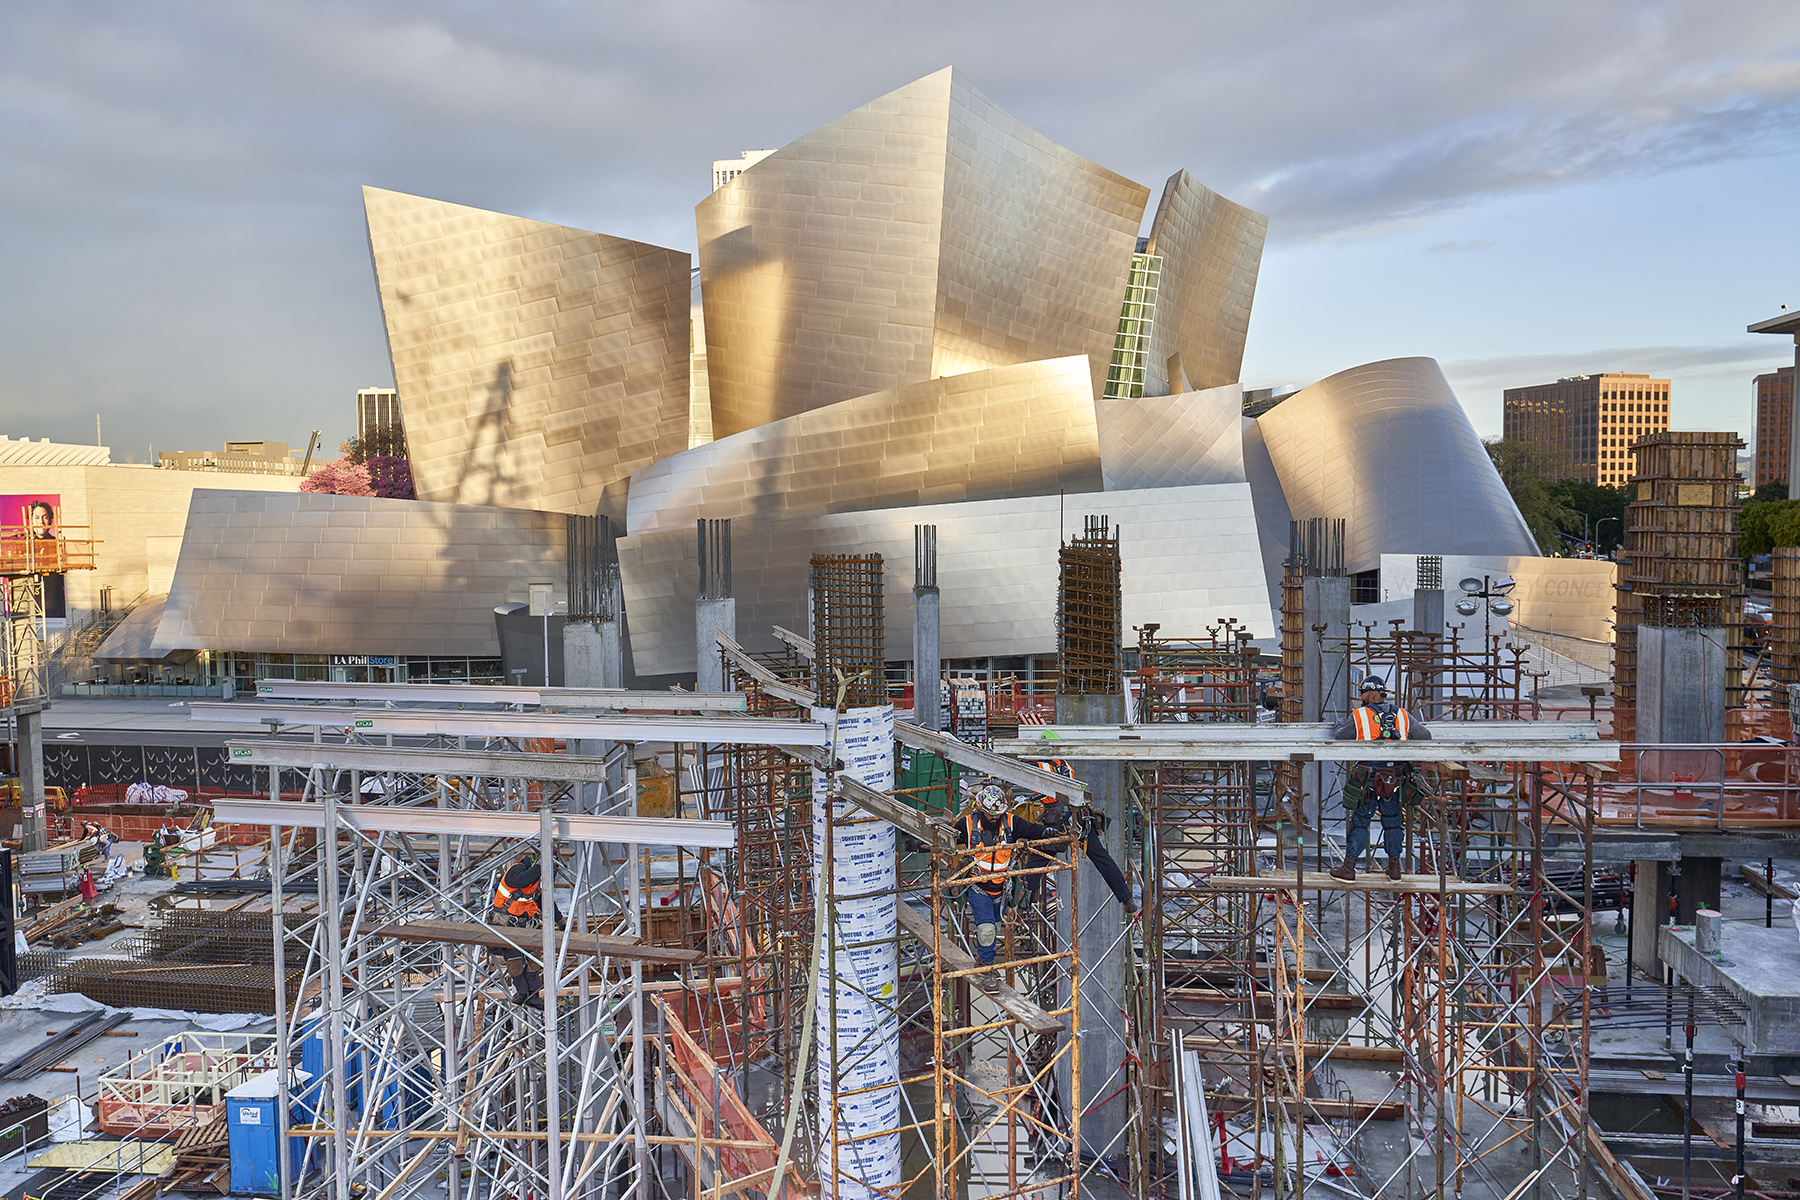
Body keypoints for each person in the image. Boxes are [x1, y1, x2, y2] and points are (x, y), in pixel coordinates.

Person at [946, 781, 1056, 990]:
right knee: (986, 929)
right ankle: (989, 971)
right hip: (978, 887)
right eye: (990, 814)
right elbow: (947, 840)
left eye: (998, 813)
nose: (995, 817)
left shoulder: (1011, 823)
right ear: (981, 809)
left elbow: (1032, 830)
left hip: (1002, 888)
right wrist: (919, 845)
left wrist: (1050, 832)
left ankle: (983, 958)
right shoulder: (968, 824)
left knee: (993, 928)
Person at [1329, 674, 1432, 882]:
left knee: (1360, 822)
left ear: (1373, 693)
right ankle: (1395, 869)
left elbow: (1341, 737)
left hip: (1366, 777)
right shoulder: (1402, 714)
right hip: (1393, 778)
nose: (1361, 697)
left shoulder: (1359, 715)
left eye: (1363, 693)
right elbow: (1425, 736)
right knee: (1393, 822)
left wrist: (1339, 724)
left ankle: (1348, 868)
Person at [1027, 759, 1138, 917]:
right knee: (1101, 857)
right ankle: (1128, 900)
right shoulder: (1063, 763)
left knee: (1036, 861)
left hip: (1057, 820)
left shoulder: (1036, 766)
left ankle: (1021, 906)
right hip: (1080, 818)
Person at [488, 851, 545, 1006]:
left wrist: (560, 921)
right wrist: (542, 864)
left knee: (534, 959)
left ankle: (533, 994)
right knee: (515, 961)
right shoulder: (515, 872)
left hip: (527, 924)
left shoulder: (536, 881)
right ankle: (522, 993)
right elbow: (524, 879)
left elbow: (543, 901)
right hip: (506, 924)